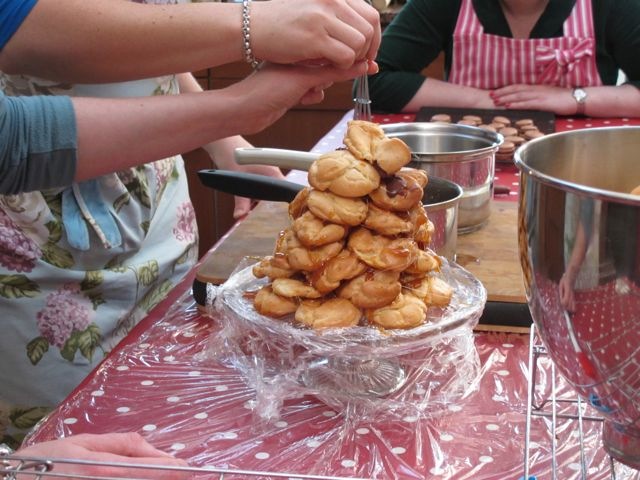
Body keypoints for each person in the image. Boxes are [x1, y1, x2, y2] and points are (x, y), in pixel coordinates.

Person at [0, 0, 380, 463]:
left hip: (159, 210)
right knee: (78, 450)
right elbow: (17, 33)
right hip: (41, 255)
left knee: (189, 433)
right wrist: (250, 33)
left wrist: (229, 140)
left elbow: (152, 23)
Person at [366, 0, 640, 117]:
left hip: (580, 170)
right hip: (469, 165)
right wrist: (483, 101)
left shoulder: (611, 5)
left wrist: (575, 98)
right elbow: (374, 82)